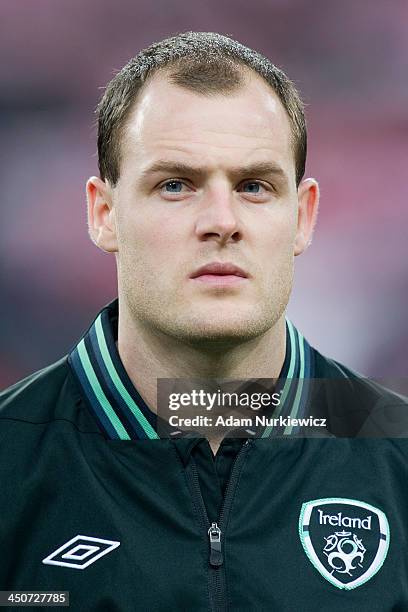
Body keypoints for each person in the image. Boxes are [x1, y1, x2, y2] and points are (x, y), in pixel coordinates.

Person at [0, 31, 406, 611]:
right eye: (175, 185)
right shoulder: (11, 460)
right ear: (103, 213)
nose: (222, 221)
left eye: (254, 186)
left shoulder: (396, 450)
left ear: (304, 216)